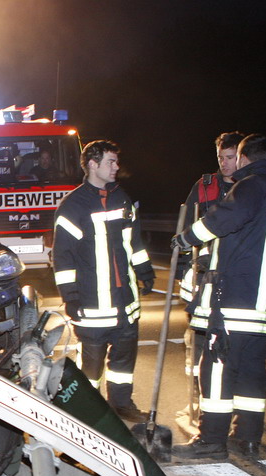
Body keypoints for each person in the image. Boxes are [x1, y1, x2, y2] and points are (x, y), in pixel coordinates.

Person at [170, 134, 266, 459]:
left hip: (235, 300)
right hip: (262, 303)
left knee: (217, 367)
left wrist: (186, 238)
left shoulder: (251, 186)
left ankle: (211, 441)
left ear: (243, 157)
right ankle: (248, 439)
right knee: (251, 372)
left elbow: (223, 219)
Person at [53, 140, 155, 423]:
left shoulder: (122, 197)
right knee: (92, 367)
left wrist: (144, 270)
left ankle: (122, 405)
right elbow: (63, 256)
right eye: (111, 162)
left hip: (125, 303)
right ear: (93, 165)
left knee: (123, 364)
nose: (116, 167)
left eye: (117, 162)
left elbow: (133, 241)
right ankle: (91, 413)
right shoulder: (73, 205)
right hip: (93, 304)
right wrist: (70, 296)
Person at [176, 131, 244, 422]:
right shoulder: (203, 187)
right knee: (198, 338)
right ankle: (197, 399)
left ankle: (230, 401)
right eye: (221, 158)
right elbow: (188, 227)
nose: (225, 164)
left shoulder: (249, 188)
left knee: (234, 341)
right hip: (202, 274)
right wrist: (182, 270)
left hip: (235, 275)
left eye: (230, 157)